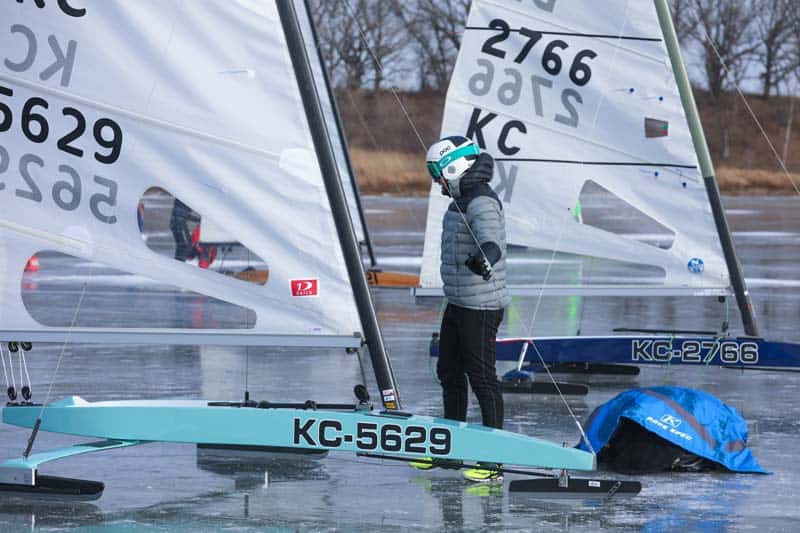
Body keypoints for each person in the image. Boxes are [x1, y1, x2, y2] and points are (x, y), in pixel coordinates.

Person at [412, 136, 510, 483]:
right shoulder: (460, 198)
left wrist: (485, 258)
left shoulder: (480, 200)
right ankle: (449, 451)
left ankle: (493, 460)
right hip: (457, 301)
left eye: (437, 173)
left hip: (480, 306)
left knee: (482, 378)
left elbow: (492, 240)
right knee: (449, 373)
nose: (436, 181)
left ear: (454, 168)